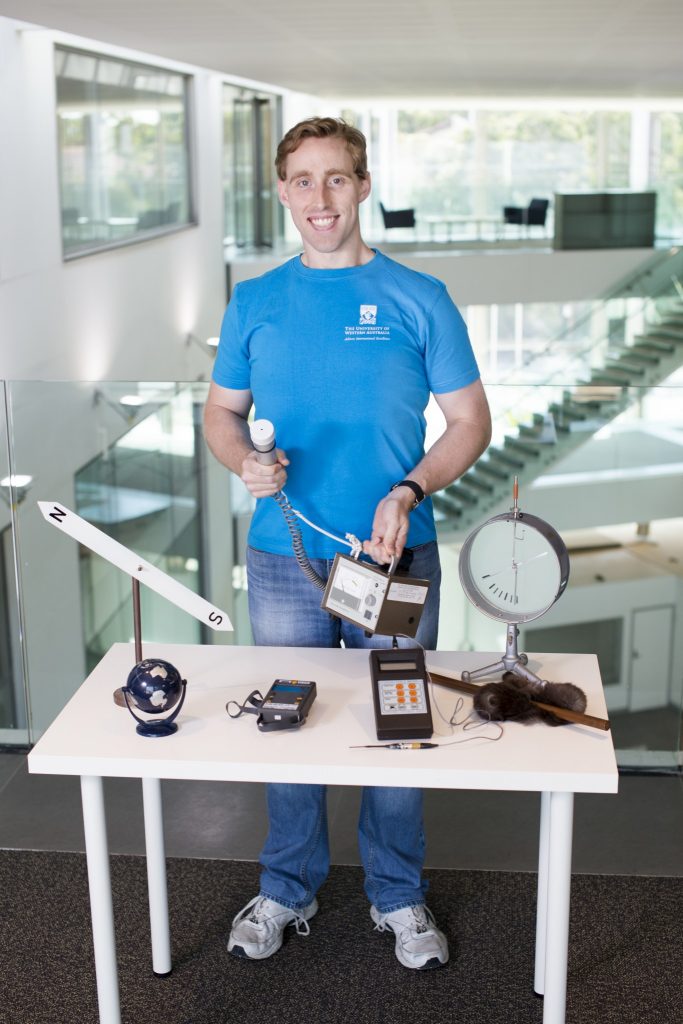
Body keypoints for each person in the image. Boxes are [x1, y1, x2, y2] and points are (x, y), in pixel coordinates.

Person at [203, 116, 491, 970]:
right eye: (302, 180)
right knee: (289, 724)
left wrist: (409, 488)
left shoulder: (418, 297)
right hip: (283, 555)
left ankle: (397, 894)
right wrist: (244, 461)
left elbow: (469, 422)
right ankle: (287, 888)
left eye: (336, 178)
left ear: (363, 186)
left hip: (395, 556)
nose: (319, 198)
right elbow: (222, 415)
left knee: (396, 729)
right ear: (283, 191)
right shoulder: (254, 301)